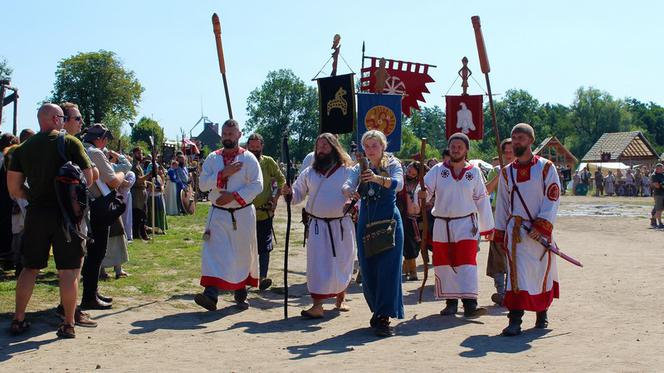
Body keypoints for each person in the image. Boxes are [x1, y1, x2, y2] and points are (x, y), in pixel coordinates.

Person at [7, 103, 94, 338]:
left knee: (30, 268)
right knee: (68, 271)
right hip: (66, 216)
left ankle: (18, 319)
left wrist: (32, 195)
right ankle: (68, 324)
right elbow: (88, 179)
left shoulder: (22, 149)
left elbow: (14, 188)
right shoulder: (70, 143)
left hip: (37, 214)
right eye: (63, 117)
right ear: (57, 119)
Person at [493, 123, 562, 336]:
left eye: (520, 138)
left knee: (541, 271)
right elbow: (503, 204)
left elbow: (552, 198)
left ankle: (542, 314)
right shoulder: (506, 173)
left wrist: (541, 226)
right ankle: (515, 319)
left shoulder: (546, 168)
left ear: (531, 141)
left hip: (539, 231)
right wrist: (500, 232)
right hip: (517, 234)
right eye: (514, 139)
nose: (516, 143)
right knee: (517, 275)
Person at [417, 132, 494, 318]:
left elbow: (482, 200)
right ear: (449, 149)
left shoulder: (474, 172)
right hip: (442, 224)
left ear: (466, 149)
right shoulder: (437, 170)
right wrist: (421, 195)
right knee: (444, 263)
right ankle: (450, 303)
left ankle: (470, 304)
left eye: (460, 147)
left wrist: (487, 227)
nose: (456, 149)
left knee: (467, 263)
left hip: (467, 224)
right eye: (453, 146)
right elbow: (424, 190)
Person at [283, 133, 356, 319]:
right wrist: (289, 192)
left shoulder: (348, 171)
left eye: (325, 146)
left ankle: (341, 297)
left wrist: (354, 206)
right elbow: (297, 195)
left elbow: (358, 194)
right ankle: (317, 305)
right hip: (317, 226)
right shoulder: (309, 172)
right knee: (317, 265)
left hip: (341, 225)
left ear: (334, 148)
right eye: (319, 146)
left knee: (342, 262)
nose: (321, 149)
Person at [194, 119, 262, 311]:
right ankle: (211, 295)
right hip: (218, 215)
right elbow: (203, 184)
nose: (227, 137)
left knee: (241, 254)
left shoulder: (248, 159)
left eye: (231, 134)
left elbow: (257, 185)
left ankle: (240, 293)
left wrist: (234, 196)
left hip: (242, 214)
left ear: (239, 135)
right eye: (224, 134)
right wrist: (222, 174)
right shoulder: (213, 158)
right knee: (213, 252)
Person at [343, 130, 404, 337]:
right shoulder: (358, 166)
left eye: (374, 146)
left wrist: (377, 179)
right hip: (366, 221)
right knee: (368, 270)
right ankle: (377, 310)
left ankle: (384, 316)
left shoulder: (393, 163)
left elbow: (399, 184)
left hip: (389, 222)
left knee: (388, 269)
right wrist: (349, 190)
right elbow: (348, 184)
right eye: (367, 146)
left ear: (383, 146)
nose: (370, 150)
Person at [81, 124, 125, 310]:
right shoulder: (95, 153)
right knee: (97, 253)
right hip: (99, 205)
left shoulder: (83, 148)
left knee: (94, 254)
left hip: (89, 204)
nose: (106, 142)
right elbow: (113, 180)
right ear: (99, 138)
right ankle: (89, 296)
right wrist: (124, 173)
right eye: (105, 138)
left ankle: (92, 293)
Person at [247, 133, 285, 291]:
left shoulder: (268, 162)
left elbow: (281, 180)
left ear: (262, 146)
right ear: (248, 146)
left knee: (264, 246)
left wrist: (275, 199)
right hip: (245, 213)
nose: (255, 150)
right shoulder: (242, 161)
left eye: (257, 147)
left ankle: (263, 277)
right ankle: (245, 278)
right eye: (252, 147)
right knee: (246, 247)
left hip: (264, 212)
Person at [484, 138, 515, 305]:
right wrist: (501, 173)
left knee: (515, 257)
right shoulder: (496, 171)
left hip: (517, 219)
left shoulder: (522, 169)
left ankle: (512, 291)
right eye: (506, 152)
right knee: (497, 256)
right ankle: (501, 291)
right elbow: (486, 190)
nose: (509, 154)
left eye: (512, 151)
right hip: (498, 218)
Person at [397, 161, 425, 282]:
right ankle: (412, 272)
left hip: (419, 219)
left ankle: (406, 266)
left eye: (413, 174)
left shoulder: (422, 184)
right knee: (409, 246)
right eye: (409, 171)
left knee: (417, 245)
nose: (410, 175)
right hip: (405, 219)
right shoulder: (400, 182)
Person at [0, 133, 19, 269]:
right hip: (8, 196)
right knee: (10, 227)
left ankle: (8, 258)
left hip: (5, 195)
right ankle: (9, 258)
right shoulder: (10, 156)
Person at [130, 147, 150, 240]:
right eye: (138, 153)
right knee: (138, 213)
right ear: (134, 154)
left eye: (141, 153)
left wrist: (149, 182)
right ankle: (137, 233)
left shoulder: (138, 165)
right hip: (137, 191)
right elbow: (138, 180)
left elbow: (142, 179)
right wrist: (149, 175)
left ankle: (142, 232)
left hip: (142, 190)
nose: (140, 155)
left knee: (143, 213)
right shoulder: (134, 166)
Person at [651, 163, 664, 228]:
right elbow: (657, 185)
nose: (663, 169)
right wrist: (661, 185)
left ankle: (653, 218)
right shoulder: (654, 175)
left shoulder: (662, 175)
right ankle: (660, 223)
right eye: (661, 168)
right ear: (657, 169)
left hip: (663, 193)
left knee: (661, 209)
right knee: (659, 209)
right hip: (658, 194)